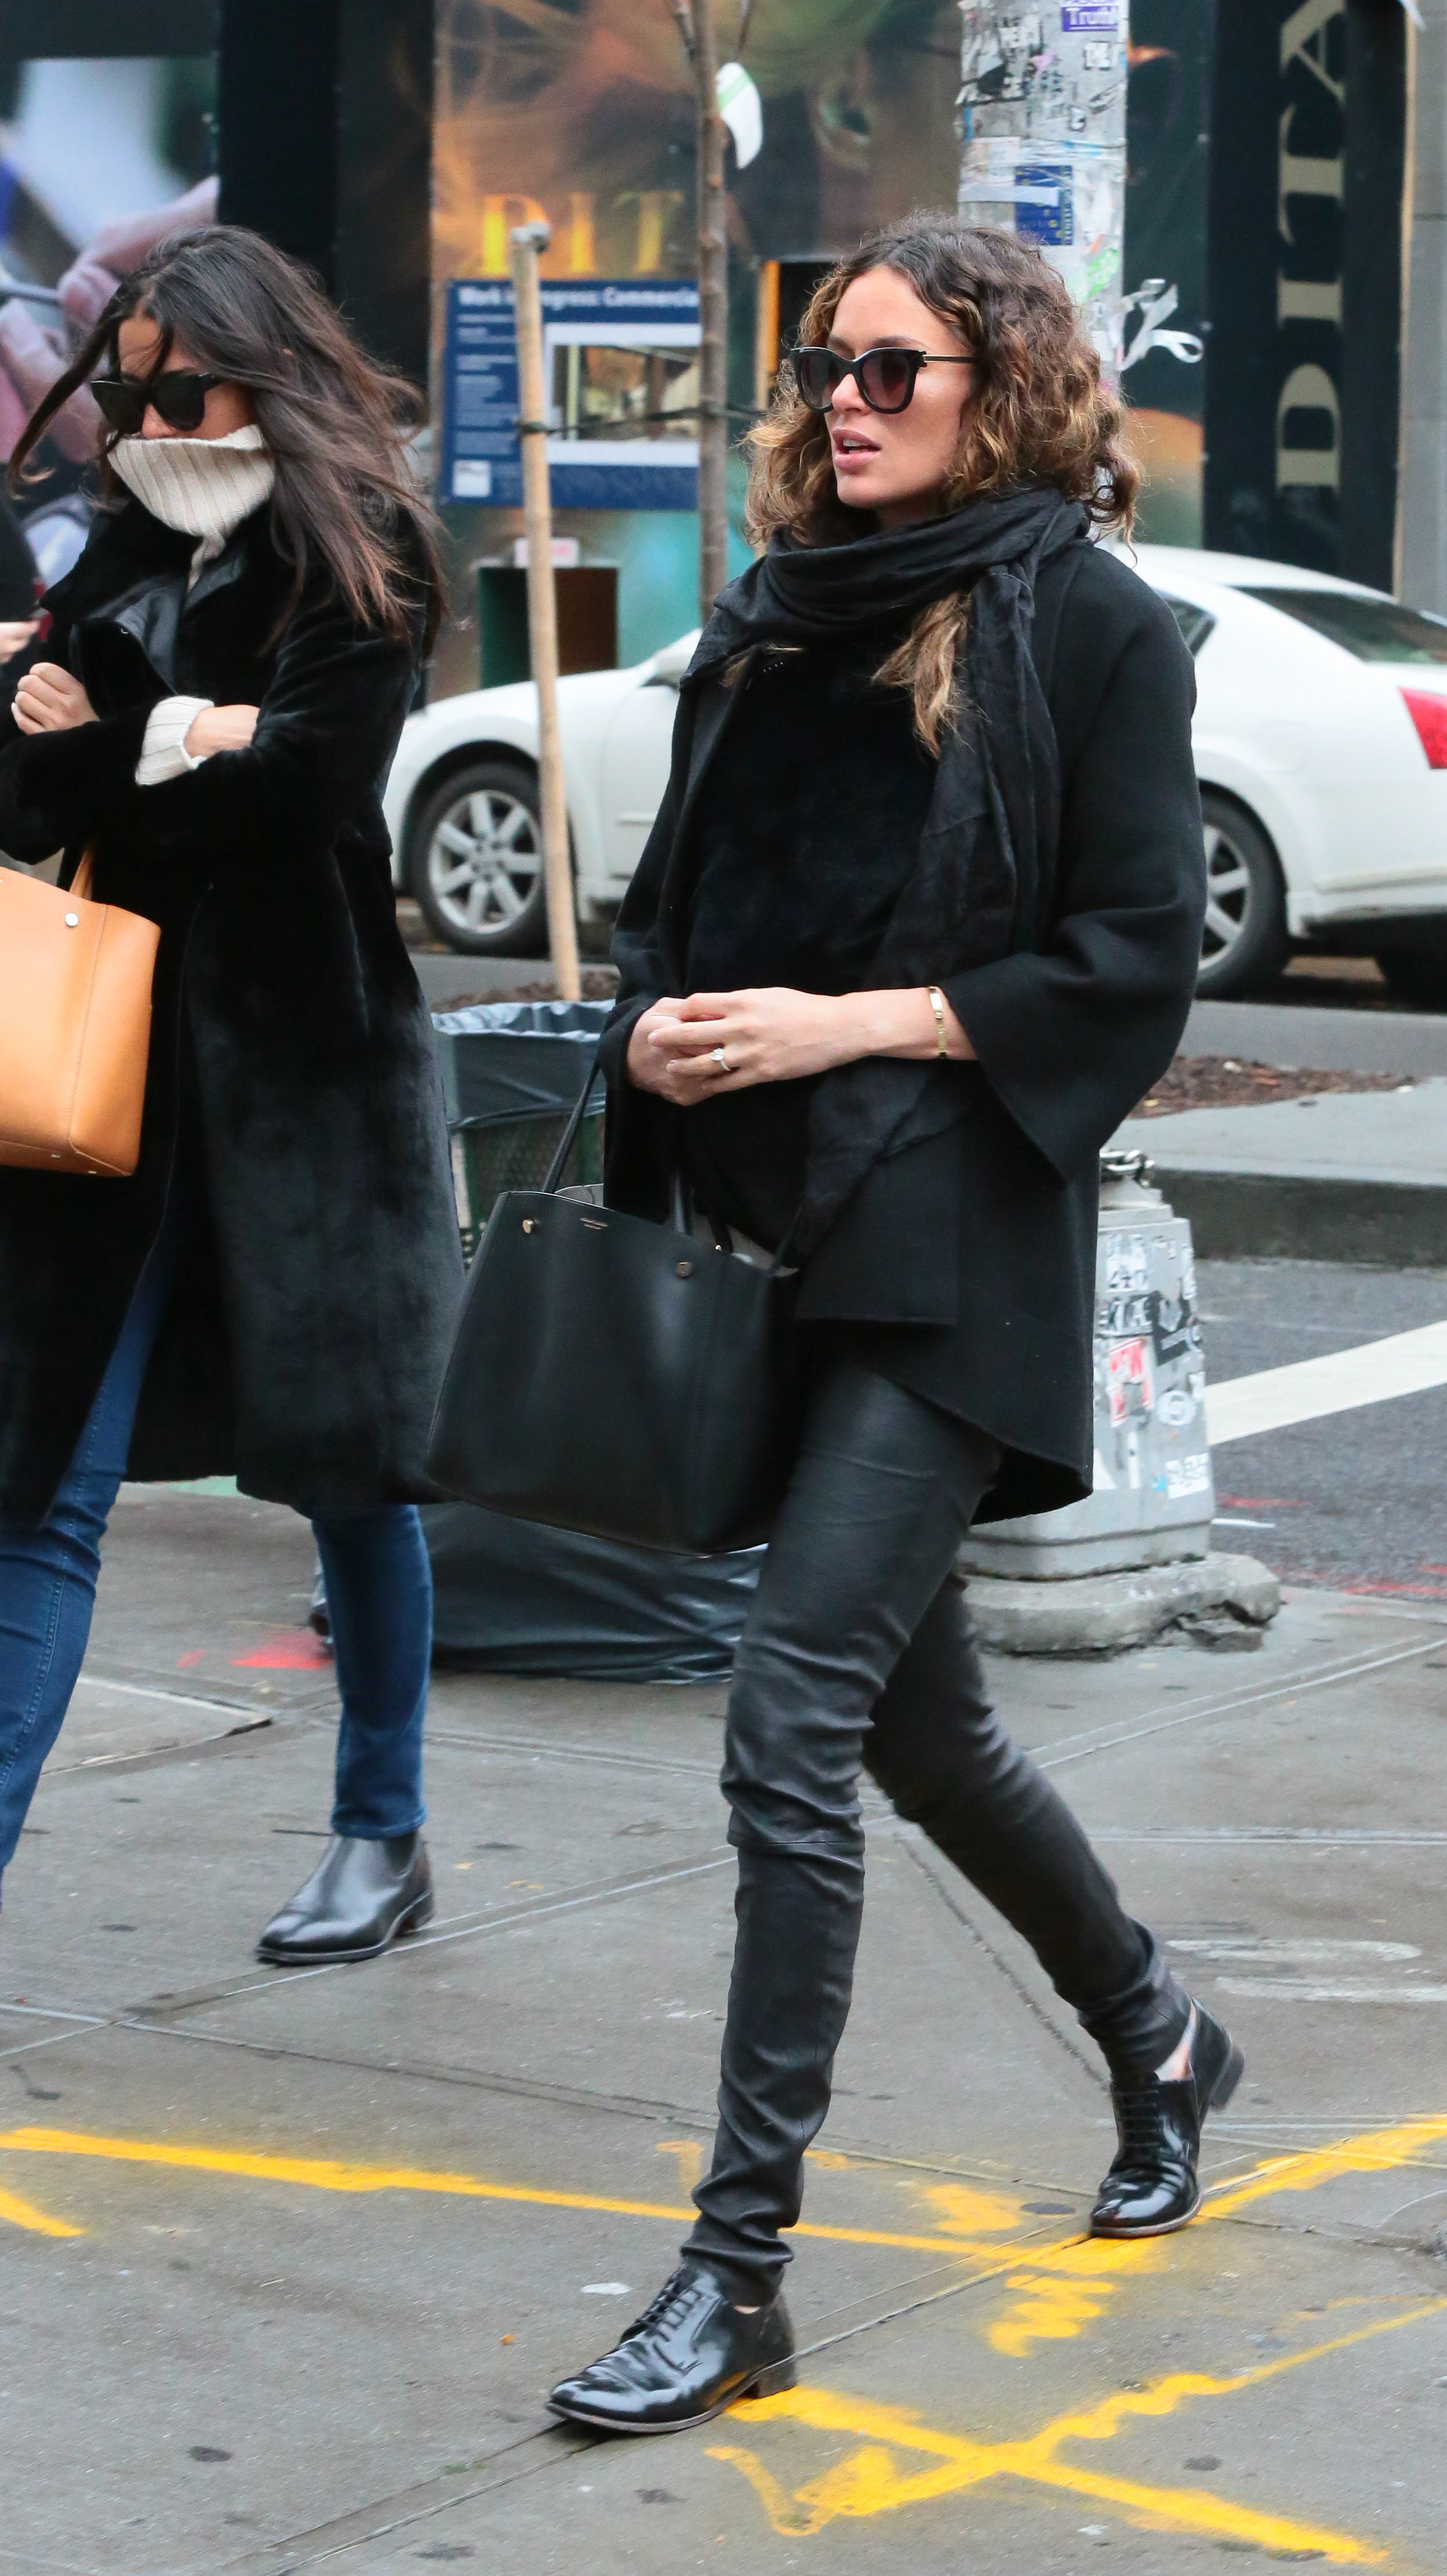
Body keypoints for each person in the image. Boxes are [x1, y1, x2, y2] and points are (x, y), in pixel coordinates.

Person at [547, 214, 1230, 2439]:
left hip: (945, 1250)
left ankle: (735, 2270)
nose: (844, 401)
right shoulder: (767, 620)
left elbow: (1131, 956)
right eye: (827, 364)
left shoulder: (1093, 625)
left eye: (892, 368)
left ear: (997, 386)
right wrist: (651, 1031)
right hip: (769, 1238)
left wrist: (852, 1021)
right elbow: (669, 914)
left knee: (786, 1724)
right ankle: (1156, 2030)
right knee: (921, 1735)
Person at [0, 225, 465, 1960]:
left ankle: (383, 1830)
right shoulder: (123, 535)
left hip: (309, 1080)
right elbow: (20, 777)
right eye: (121, 394)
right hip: (103, 1077)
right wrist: (184, 731)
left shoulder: (361, 544)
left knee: (354, 1474)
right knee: (46, 1484)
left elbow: (310, 795)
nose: (141, 425)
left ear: (261, 373)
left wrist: (120, 729)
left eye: (175, 391)